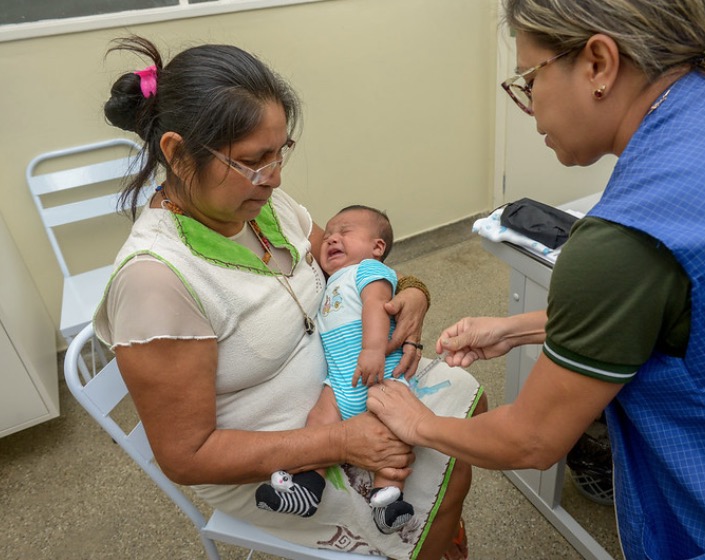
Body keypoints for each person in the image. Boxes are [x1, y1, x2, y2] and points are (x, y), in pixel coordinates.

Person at [367, 1, 705, 558]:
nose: (528, 107)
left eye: (528, 80)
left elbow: (531, 439)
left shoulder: (627, 237)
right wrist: (520, 328)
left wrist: (418, 423)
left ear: (599, 64)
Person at [93, 35, 483, 560]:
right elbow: (188, 456)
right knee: (437, 465)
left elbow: (348, 267)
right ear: (178, 154)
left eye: (281, 153)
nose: (275, 177)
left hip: (341, 387)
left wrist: (410, 291)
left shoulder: (263, 207)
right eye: (255, 161)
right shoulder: (155, 284)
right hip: (273, 461)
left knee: (466, 402)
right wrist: (339, 443)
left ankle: (441, 533)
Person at [256, 205, 416, 534]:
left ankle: (388, 500)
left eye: (345, 231)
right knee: (318, 421)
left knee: (394, 436)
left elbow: (376, 306)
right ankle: (307, 489)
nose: (331, 238)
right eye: (328, 233)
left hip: (379, 375)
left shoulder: (370, 271)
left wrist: (373, 349)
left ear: (377, 248)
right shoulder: (332, 280)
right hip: (339, 381)